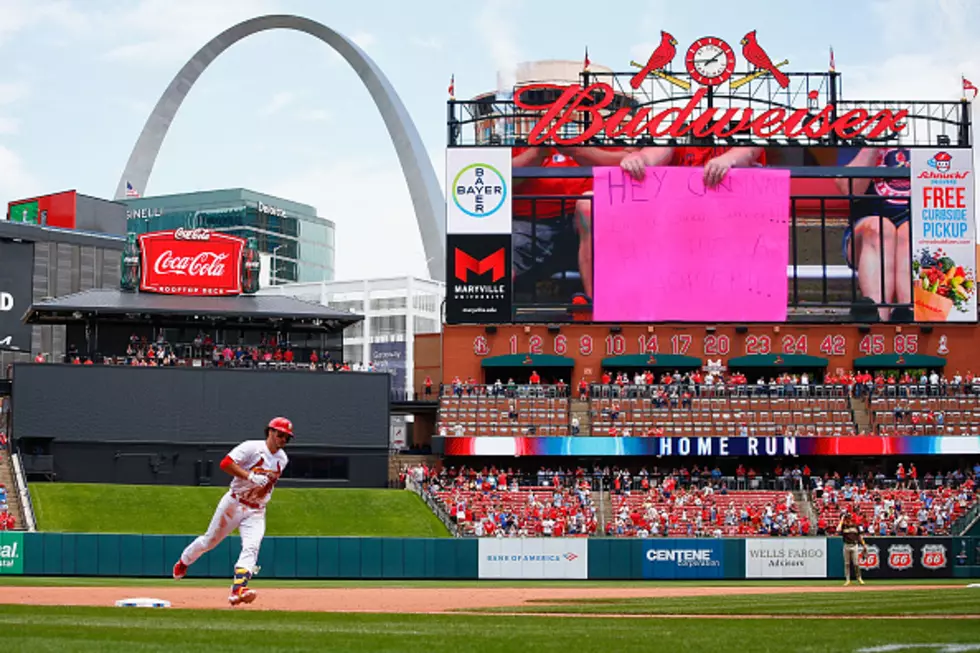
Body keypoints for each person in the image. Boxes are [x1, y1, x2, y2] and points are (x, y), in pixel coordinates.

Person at [573, 145, 766, 301]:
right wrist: (641, 159)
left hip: (724, 221)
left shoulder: (743, 121)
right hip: (671, 218)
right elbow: (661, 149)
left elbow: (748, 150)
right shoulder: (679, 120)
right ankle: (595, 302)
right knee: (587, 205)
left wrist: (728, 160)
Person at [172, 417, 293, 606]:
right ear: (270, 432)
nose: (283, 439)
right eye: (281, 434)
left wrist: (258, 486)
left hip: (257, 510)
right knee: (209, 541)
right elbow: (225, 463)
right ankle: (184, 561)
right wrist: (249, 476)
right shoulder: (252, 448)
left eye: (287, 437)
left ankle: (238, 588)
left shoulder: (282, 459)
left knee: (252, 547)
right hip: (234, 503)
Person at [836, 147, 912, 322]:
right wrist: (873, 143)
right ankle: (877, 318)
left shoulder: (926, 133)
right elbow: (849, 188)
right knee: (880, 228)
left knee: (909, 232)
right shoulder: (855, 133)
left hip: (916, 227)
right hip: (865, 231)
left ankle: (908, 315)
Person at [838, 511, 868, 586]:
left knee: (856, 564)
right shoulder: (843, 526)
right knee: (847, 564)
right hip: (846, 545)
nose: (847, 519)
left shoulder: (855, 526)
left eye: (848, 518)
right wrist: (841, 520)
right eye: (846, 518)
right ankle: (848, 580)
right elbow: (837, 529)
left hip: (854, 545)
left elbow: (859, 537)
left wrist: (864, 545)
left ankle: (859, 578)